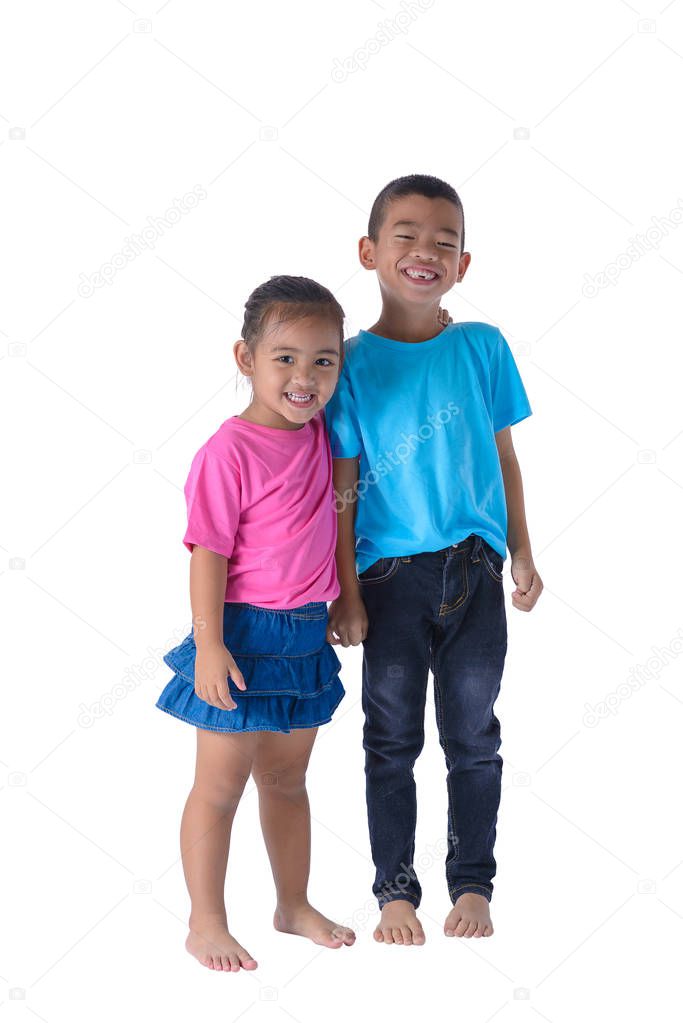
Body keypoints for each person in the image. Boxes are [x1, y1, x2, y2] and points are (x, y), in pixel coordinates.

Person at [324, 174, 543, 946]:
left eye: (444, 242)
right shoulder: (345, 364)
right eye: (406, 236)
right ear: (369, 251)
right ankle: (394, 893)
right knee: (388, 739)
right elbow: (344, 490)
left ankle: (472, 885)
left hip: (475, 571)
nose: (426, 252)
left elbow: (503, 456)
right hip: (388, 582)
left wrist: (520, 549)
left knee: (473, 736)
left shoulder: (482, 347)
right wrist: (345, 591)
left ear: (463, 263)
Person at [156, 275, 356, 972]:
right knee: (219, 784)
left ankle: (291, 903)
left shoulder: (324, 430)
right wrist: (209, 643)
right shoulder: (228, 450)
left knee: (286, 780)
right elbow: (207, 552)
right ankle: (204, 920)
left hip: (303, 635)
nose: (304, 377)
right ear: (245, 358)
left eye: (322, 361)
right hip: (241, 633)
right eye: (285, 358)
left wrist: (344, 598)